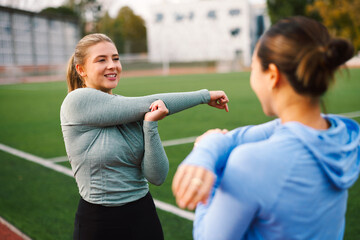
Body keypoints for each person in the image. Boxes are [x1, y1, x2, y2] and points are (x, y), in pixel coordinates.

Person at [172, 16, 360, 240]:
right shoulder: (343, 135)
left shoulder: (251, 163)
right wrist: (208, 149)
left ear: (272, 75)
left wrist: (213, 179)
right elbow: (250, 134)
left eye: (253, 68)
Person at [60, 33, 229, 240]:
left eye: (115, 58)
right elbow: (150, 102)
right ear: (81, 70)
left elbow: (157, 176)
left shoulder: (134, 111)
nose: (112, 65)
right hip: (98, 222)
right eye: (101, 60)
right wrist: (204, 96)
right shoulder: (76, 102)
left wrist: (150, 125)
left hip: (143, 217)